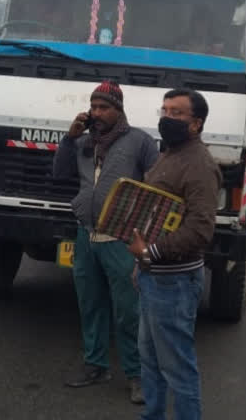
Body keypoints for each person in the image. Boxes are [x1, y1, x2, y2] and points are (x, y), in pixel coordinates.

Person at [53, 80, 159, 404]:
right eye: (94, 107)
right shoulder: (84, 143)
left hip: (121, 240)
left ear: (118, 110)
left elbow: (156, 186)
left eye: (104, 108)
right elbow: (59, 173)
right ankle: (96, 365)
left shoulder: (140, 142)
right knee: (91, 305)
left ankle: (137, 375)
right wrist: (69, 139)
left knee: (128, 312)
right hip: (86, 236)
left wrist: (145, 235)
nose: (97, 113)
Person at [127, 88, 221, 420]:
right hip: (155, 275)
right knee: (150, 358)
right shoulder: (169, 153)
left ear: (196, 123)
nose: (167, 117)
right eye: (165, 110)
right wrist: (143, 262)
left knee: (177, 366)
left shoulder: (199, 165)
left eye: (177, 113)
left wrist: (150, 251)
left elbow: (200, 230)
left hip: (175, 283)